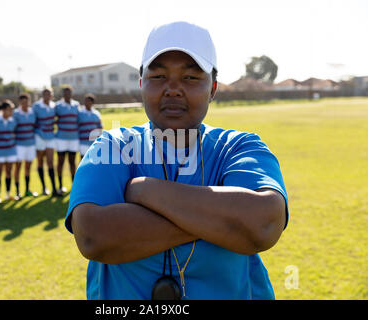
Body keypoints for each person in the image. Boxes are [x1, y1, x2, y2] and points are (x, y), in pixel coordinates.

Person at [65, 21, 289, 300]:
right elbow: (93, 235)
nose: (173, 89)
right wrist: (225, 222)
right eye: (158, 76)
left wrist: (144, 190)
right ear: (141, 84)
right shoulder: (111, 147)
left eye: (191, 78)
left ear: (213, 88)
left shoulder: (239, 148)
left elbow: (263, 224)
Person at [55, 85, 80, 194]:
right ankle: (60, 186)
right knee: (60, 162)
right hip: (61, 138)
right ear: (63, 94)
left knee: (72, 162)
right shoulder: (58, 106)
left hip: (74, 138)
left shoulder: (76, 105)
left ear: (71, 93)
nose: (67, 94)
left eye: (69, 92)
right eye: (65, 93)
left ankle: (73, 187)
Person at [0, 100, 17, 203]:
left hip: (11, 150)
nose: (11, 112)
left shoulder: (13, 121)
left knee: (9, 173)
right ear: (4, 110)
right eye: (10, 110)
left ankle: (7, 194)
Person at [33, 88, 57, 197]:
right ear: (42, 95)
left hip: (50, 136)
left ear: (52, 95)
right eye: (45, 94)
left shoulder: (54, 106)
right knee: (40, 162)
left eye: (49, 94)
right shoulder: (36, 106)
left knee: (50, 162)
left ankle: (54, 188)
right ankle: (44, 187)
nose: (47, 96)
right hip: (40, 137)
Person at [13, 93, 38, 199]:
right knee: (18, 168)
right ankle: (17, 191)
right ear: (19, 103)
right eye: (23, 102)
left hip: (31, 144)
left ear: (29, 102)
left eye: (27, 102)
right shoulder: (15, 114)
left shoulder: (33, 113)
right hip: (19, 145)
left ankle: (27, 190)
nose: (25, 104)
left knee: (28, 167)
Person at [77, 93, 103, 158]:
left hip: (94, 142)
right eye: (85, 101)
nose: (86, 103)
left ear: (92, 102)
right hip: (83, 142)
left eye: (88, 101)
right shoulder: (80, 113)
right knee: (83, 160)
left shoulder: (96, 114)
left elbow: (100, 128)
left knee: (93, 161)